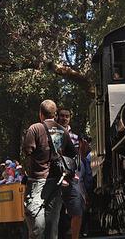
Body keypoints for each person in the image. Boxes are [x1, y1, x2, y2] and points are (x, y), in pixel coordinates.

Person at [22, 99, 77, 239]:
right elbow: (72, 153)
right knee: (52, 221)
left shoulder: (35, 128)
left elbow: (27, 150)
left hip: (37, 180)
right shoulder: (62, 131)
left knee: (36, 220)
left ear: (41, 114)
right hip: (57, 181)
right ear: (55, 114)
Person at [56, 107, 84, 239]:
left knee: (76, 210)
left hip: (72, 178)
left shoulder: (75, 137)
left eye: (67, 116)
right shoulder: (52, 134)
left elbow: (78, 157)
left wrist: (77, 175)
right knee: (56, 213)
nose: (64, 118)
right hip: (55, 178)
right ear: (57, 116)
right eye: (62, 116)